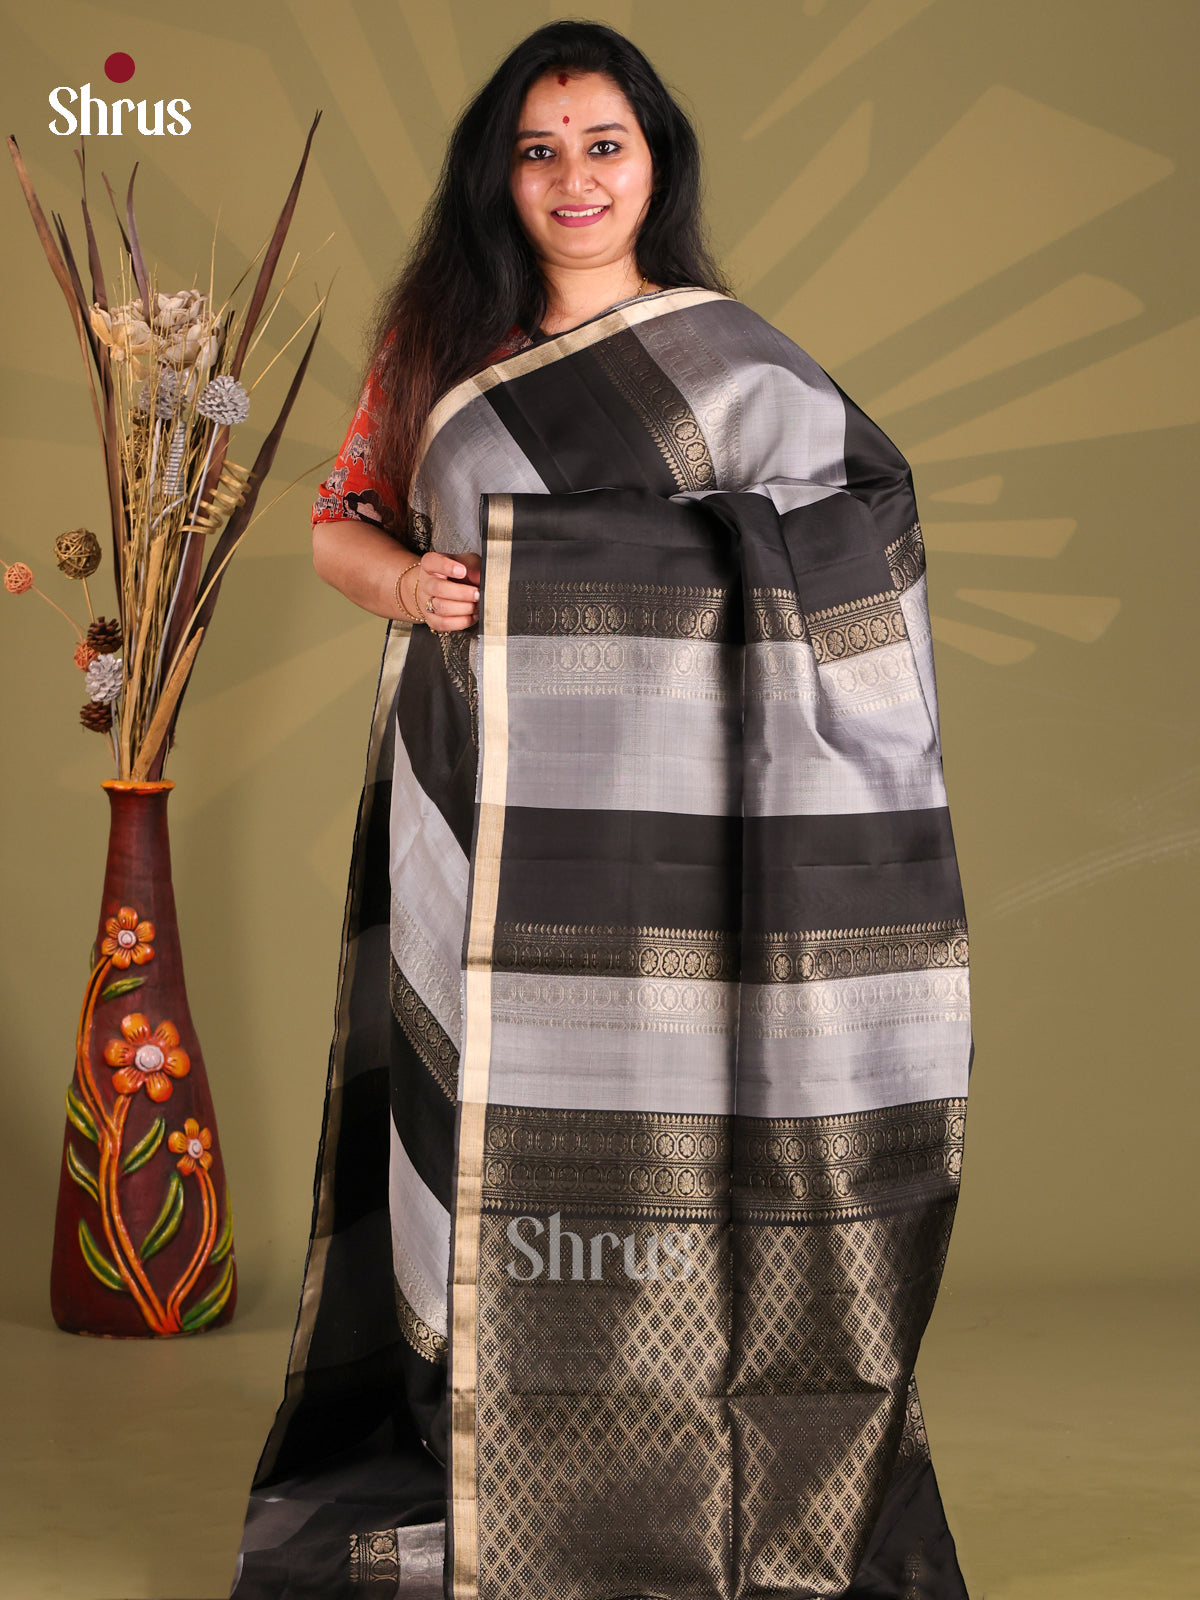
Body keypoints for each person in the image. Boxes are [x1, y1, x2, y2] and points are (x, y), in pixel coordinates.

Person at [230, 20, 973, 1600]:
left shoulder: (736, 363)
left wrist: (582, 571)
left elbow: (865, 533)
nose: (575, 178)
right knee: (474, 1145)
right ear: (500, 178)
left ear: (655, 164)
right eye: (540, 150)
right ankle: (487, 1464)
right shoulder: (439, 355)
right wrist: (413, 586)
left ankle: (681, 1468)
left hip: (693, 842)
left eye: (604, 144)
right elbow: (337, 524)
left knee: (677, 1140)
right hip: (486, 816)